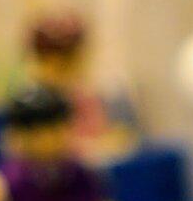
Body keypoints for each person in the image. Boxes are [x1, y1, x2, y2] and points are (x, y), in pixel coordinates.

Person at [0, 84, 107, 201]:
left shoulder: (80, 173)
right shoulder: (10, 184)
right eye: (36, 133)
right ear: (16, 136)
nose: (48, 140)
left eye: (56, 130)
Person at [24, 10, 135, 154]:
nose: (57, 69)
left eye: (67, 61)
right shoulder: (31, 103)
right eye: (47, 61)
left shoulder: (98, 95)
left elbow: (122, 138)